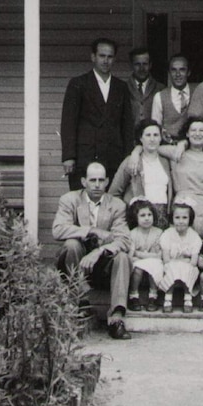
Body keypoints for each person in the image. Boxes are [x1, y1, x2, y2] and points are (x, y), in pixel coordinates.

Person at [52, 162, 133, 340]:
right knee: (72, 244)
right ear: (83, 181)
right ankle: (81, 302)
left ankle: (117, 318)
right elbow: (58, 229)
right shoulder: (70, 199)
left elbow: (124, 239)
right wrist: (91, 230)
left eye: (101, 180)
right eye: (92, 180)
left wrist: (99, 251)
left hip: (102, 266)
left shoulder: (117, 205)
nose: (97, 185)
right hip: (75, 264)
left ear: (107, 182)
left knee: (123, 257)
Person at [60, 38, 134, 189]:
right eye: (102, 56)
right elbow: (68, 123)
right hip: (85, 156)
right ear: (93, 57)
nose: (106, 61)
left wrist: (128, 157)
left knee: (111, 203)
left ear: (114, 59)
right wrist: (69, 157)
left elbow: (127, 126)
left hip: (113, 157)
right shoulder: (78, 84)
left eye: (110, 56)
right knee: (82, 204)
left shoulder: (121, 87)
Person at [108, 119, 173, 227]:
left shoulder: (166, 161)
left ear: (161, 138)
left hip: (163, 218)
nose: (152, 139)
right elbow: (113, 193)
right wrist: (129, 211)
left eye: (156, 135)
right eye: (148, 135)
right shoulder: (132, 161)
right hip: (140, 219)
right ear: (141, 138)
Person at [161, 117, 203, 236]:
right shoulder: (177, 153)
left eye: (202, 131)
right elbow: (153, 148)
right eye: (193, 130)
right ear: (187, 133)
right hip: (184, 206)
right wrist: (183, 144)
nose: (197, 134)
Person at [158, 203, 202, 314]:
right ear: (172, 219)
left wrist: (183, 262)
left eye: (184, 218)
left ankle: (188, 297)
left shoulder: (194, 237)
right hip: (171, 264)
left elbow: (193, 261)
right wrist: (181, 261)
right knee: (171, 268)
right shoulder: (167, 234)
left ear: (190, 219)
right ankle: (168, 297)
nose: (181, 221)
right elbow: (166, 259)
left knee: (189, 268)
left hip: (188, 266)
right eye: (177, 217)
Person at [126, 198, 164, 313]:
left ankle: (153, 296)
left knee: (154, 266)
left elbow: (159, 255)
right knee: (138, 268)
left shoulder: (158, 232)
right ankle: (134, 296)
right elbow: (131, 256)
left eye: (149, 214)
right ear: (135, 217)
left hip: (153, 262)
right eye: (142, 215)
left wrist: (139, 254)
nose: (147, 218)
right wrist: (143, 255)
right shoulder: (132, 234)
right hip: (138, 264)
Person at [151, 54, 192, 143]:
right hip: (168, 147)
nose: (178, 74)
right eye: (173, 70)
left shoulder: (198, 93)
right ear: (169, 73)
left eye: (182, 70)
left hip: (193, 146)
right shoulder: (159, 97)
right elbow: (155, 128)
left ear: (188, 72)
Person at [125, 48, 166, 126]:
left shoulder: (160, 88)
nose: (141, 68)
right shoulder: (123, 88)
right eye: (137, 64)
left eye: (145, 64)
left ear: (150, 65)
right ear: (131, 65)